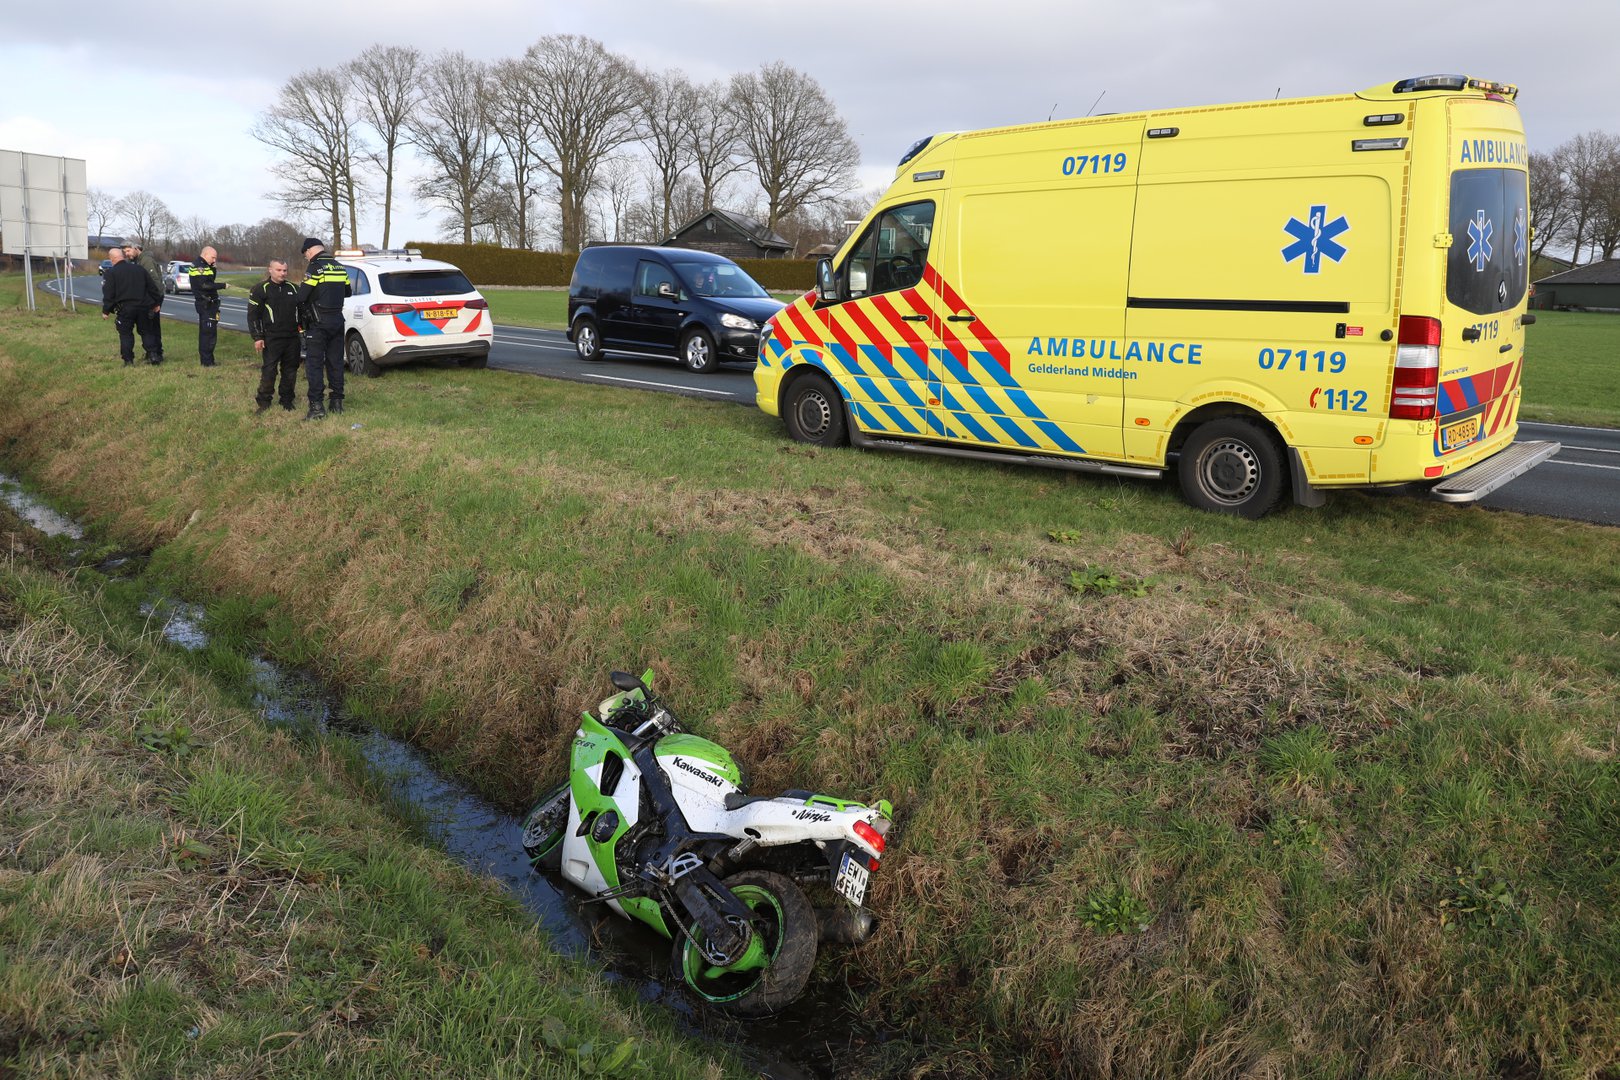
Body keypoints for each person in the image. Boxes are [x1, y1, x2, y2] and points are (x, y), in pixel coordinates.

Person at [295, 238, 351, 421]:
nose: (306, 258)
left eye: (306, 255)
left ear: (310, 251)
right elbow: (348, 292)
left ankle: (317, 407)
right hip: (337, 320)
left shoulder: (315, 267)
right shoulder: (340, 267)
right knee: (335, 362)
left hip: (318, 323)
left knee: (315, 364)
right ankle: (336, 403)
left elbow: (302, 296)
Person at [246, 258, 303, 413]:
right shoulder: (260, 289)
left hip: (292, 337)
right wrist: (257, 337)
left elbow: (303, 312)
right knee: (270, 370)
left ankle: (287, 400)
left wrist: (303, 330)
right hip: (271, 337)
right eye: (279, 270)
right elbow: (253, 315)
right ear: (270, 270)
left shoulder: (294, 288)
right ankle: (264, 401)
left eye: (285, 270)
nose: (282, 273)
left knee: (290, 370)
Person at [100, 246, 162, 365]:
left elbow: (109, 293)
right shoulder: (139, 269)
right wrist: (156, 302)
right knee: (146, 331)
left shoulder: (111, 273)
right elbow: (152, 287)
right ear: (123, 256)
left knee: (125, 333)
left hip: (125, 308)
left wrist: (106, 310)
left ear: (112, 259)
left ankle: (128, 360)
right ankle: (153, 355)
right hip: (144, 306)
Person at [123, 241, 166, 363]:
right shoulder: (136, 261)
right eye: (125, 252)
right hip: (147, 299)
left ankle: (157, 353)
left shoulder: (146, 261)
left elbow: (155, 282)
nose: (127, 254)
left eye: (128, 251)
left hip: (152, 298)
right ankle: (152, 353)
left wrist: (155, 302)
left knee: (152, 327)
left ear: (136, 248)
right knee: (148, 327)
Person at [189, 245, 229, 366]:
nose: (214, 260)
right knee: (208, 334)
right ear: (205, 254)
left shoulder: (205, 265)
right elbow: (205, 285)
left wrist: (213, 268)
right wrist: (223, 285)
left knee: (207, 333)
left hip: (209, 304)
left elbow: (210, 279)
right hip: (206, 304)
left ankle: (208, 360)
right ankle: (207, 362)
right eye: (213, 257)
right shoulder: (200, 266)